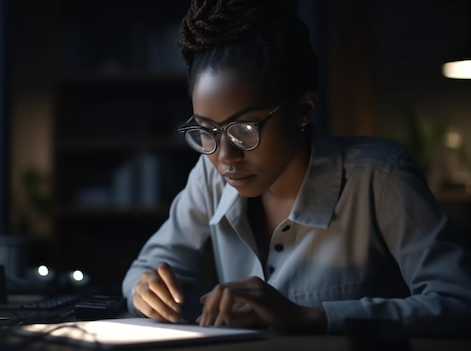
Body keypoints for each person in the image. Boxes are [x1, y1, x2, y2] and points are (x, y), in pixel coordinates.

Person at [121, 0, 471, 337]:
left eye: (244, 130)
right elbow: (145, 269)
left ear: (303, 110)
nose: (225, 156)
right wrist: (147, 288)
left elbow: (458, 302)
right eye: (206, 131)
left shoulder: (379, 177)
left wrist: (310, 317)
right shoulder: (210, 176)